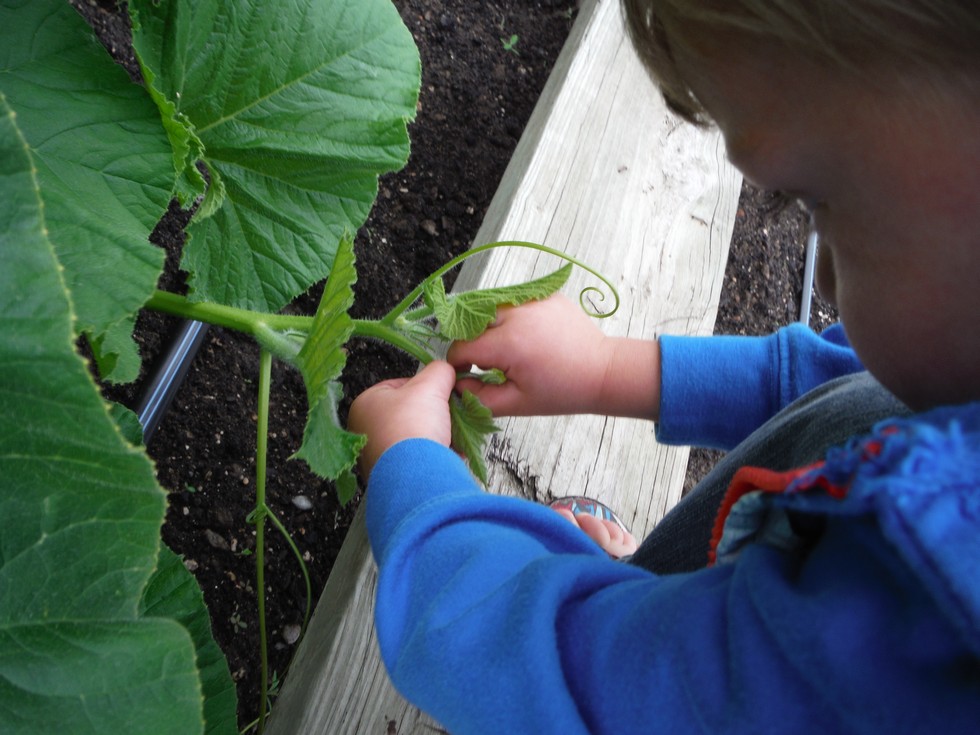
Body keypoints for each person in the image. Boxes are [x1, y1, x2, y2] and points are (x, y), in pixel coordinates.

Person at [348, 1, 980, 732]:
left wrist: (414, 479)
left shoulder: (911, 613)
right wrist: (605, 369)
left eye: (819, 204)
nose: (827, 283)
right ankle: (664, 596)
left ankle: (665, 615)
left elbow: (576, 684)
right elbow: (841, 382)